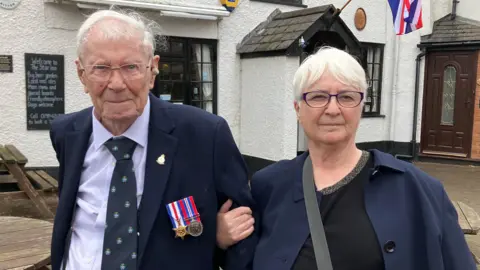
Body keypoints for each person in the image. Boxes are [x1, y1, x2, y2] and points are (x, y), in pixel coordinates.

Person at [49, 9, 256, 270]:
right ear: (81, 74)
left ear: (153, 69)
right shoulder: (66, 133)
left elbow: (244, 240)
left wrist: (211, 237)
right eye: (100, 68)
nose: (116, 83)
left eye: (131, 67)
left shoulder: (205, 135)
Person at [234, 46, 475, 270]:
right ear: (298, 109)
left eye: (347, 97)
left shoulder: (419, 190)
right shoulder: (268, 186)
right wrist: (223, 237)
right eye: (318, 97)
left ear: (361, 106)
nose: (332, 109)